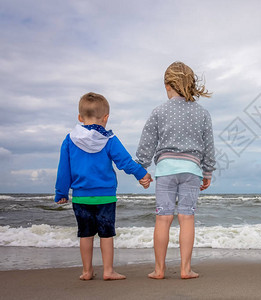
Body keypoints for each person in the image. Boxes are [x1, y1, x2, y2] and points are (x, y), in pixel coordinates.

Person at [55, 92, 152, 281]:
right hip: (106, 196)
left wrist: (61, 192)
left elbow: (63, 169)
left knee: (85, 234)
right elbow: (124, 161)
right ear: (106, 117)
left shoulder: (69, 140)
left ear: (80, 118)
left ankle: (87, 271)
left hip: (81, 197)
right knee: (107, 234)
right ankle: (108, 271)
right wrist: (142, 175)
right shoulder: (109, 139)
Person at [136, 61, 215, 279]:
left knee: (163, 218)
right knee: (187, 217)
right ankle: (185, 269)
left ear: (168, 85)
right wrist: (207, 173)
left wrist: (142, 168)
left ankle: (159, 270)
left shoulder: (159, 111)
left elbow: (147, 143)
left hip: (166, 170)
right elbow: (209, 147)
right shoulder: (202, 113)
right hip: (191, 170)